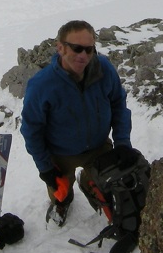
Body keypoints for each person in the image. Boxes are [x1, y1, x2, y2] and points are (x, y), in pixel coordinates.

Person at [20, 19, 133, 226]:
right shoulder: (42, 85)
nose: (83, 55)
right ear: (60, 48)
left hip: (98, 146)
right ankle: (62, 201)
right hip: (60, 153)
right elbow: (31, 130)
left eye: (89, 50)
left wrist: (123, 143)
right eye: (76, 48)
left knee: (110, 189)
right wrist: (46, 168)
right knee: (60, 192)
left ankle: (89, 184)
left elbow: (119, 105)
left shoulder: (104, 70)